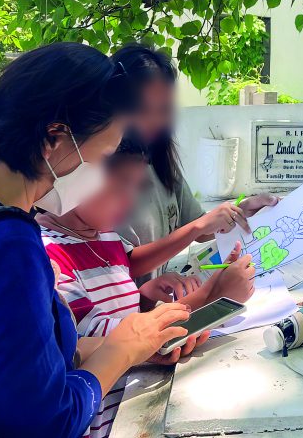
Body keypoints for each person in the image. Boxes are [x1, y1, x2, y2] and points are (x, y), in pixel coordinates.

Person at [0, 43, 196, 437]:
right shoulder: (7, 240)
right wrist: (122, 349)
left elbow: (15, 366)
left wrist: (139, 342)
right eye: (102, 158)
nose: (99, 177)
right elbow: (47, 420)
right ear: (54, 138)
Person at [39, 136, 255, 438]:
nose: (129, 201)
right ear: (77, 176)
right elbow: (109, 337)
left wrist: (142, 297)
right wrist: (213, 293)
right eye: (119, 185)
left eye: (137, 186)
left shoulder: (104, 236)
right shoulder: (49, 258)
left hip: (132, 401)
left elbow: (127, 268)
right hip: (103, 421)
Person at [111, 44, 276, 282]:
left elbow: (196, 226)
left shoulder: (160, 162)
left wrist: (239, 212)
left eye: (164, 109)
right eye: (143, 108)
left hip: (153, 306)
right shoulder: (100, 174)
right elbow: (122, 263)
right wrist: (198, 227)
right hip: (118, 314)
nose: (155, 120)